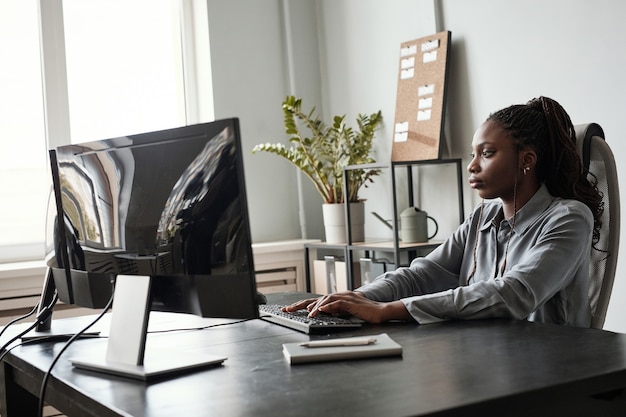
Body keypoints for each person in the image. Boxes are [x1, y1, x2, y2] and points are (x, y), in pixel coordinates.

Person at [284, 96, 603, 328]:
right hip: (489, 358)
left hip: (556, 370)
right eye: (473, 154)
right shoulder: (481, 219)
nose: (472, 165)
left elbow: (513, 294)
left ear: (526, 160)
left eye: (487, 153)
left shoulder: (569, 218)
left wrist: (388, 310)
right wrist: (353, 299)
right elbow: (420, 274)